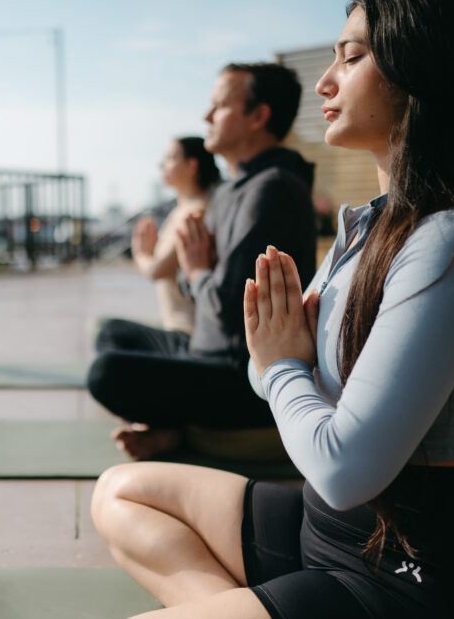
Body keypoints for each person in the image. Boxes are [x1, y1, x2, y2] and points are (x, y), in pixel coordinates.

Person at [90, 0, 454, 619]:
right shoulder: (368, 228)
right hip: (329, 535)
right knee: (119, 492)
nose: (325, 82)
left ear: (420, 69)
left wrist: (286, 364)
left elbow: (341, 467)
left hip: (408, 584)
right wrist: (279, 362)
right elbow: (263, 373)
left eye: (353, 57)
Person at [88, 62, 316, 460]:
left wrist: (197, 271)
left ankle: (179, 433)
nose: (206, 116)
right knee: (112, 332)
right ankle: (173, 429)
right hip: (200, 350)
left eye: (220, 106)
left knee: (106, 372)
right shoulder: (230, 190)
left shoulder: (273, 189)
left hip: (240, 375)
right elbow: (191, 283)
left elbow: (226, 306)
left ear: (258, 116)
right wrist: (196, 273)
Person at [131, 137, 220, 335]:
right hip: (175, 326)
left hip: (186, 331)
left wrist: (141, 254)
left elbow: (157, 270)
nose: (162, 165)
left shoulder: (195, 213)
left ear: (191, 166)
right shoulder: (181, 210)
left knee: (109, 332)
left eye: (171, 158)